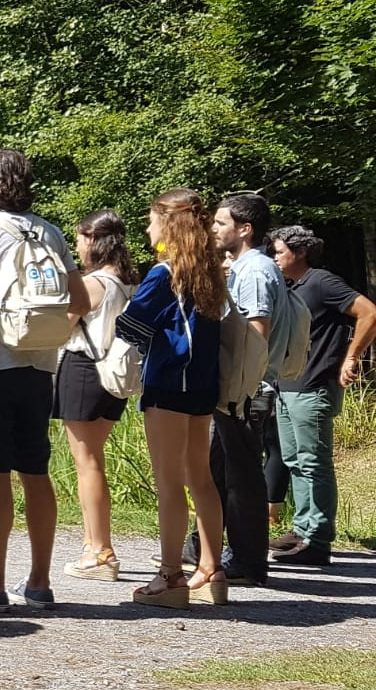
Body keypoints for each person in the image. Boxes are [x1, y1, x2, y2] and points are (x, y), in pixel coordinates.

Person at [0, 149, 88, 611]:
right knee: (36, 471)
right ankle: (40, 582)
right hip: (39, 367)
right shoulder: (49, 230)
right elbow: (80, 299)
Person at [116, 190, 229, 608]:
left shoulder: (164, 274)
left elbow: (129, 325)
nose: (148, 229)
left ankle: (170, 576)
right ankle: (212, 569)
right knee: (201, 477)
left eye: (151, 221)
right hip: (202, 386)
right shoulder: (212, 271)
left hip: (167, 384)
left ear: (169, 225)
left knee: (169, 483)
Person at [269, 225, 376, 566]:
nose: (274, 257)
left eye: (279, 252)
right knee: (295, 461)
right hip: (288, 386)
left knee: (314, 463)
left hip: (313, 386)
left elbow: (369, 312)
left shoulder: (321, 281)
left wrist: (351, 357)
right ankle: (302, 529)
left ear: (300, 253)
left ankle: (317, 539)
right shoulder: (291, 285)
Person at [204, 192, 288, 586]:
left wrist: (238, 393)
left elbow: (255, 336)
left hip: (245, 392)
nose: (214, 229)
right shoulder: (247, 267)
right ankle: (205, 547)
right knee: (219, 469)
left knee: (242, 477)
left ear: (245, 228)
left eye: (221, 223)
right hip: (238, 391)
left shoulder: (254, 271)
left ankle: (249, 561)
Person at [55, 210, 138, 581]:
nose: (76, 246)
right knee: (93, 460)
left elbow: (60, 326)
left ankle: (100, 551)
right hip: (112, 377)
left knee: (86, 463)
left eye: (79, 238)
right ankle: (93, 545)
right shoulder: (127, 281)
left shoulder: (93, 284)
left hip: (84, 369)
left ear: (92, 239)